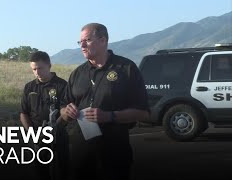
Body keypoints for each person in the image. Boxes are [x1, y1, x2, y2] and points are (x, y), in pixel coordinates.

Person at [60, 23, 150, 180]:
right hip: (81, 155)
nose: (81, 45)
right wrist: (66, 111)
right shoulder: (77, 73)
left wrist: (109, 116)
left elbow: (143, 112)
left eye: (87, 40)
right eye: (79, 41)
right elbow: (63, 107)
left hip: (114, 153)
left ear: (103, 40)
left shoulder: (126, 68)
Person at [19, 51, 68, 180]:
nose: (37, 72)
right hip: (36, 138)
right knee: (40, 172)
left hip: (58, 137)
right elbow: (23, 113)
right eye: (34, 69)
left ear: (49, 66)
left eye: (40, 68)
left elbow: (66, 113)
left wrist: (49, 132)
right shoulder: (29, 87)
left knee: (60, 172)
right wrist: (32, 133)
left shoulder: (63, 86)